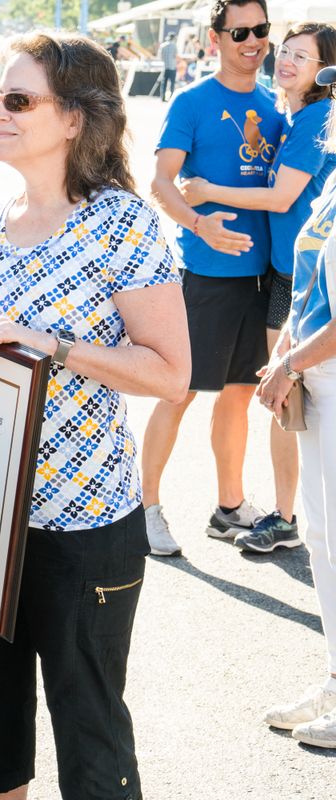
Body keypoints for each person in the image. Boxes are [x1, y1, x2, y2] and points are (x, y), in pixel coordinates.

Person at [0, 32, 189, 800]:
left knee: (93, 746)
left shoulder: (125, 225)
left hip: (83, 530)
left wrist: (58, 347)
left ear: (75, 118)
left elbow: (171, 373)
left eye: (17, 100)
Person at [179, 22, 336, 554]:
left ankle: (287, 517)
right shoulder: (289, 115)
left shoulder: (315, 119)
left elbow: (280, 197)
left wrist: (205, 191)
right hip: (282, 272)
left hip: (302, 280)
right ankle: (289, 513)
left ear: (325, 71)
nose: (285, 61)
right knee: (284, 395)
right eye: (285, 51)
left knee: (286, 394)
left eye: (302, 57)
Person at [141, 0, 284, 556]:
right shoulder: (192, 101)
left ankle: (229, 508)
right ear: (216, 38)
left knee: (240, 395)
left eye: (260, 30)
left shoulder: (275, 103)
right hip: (206, 276)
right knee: (178, 391)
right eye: (239, 32)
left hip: (263, 278)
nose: (252, 41)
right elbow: (160, 181)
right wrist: (200, 224)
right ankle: (147, 510)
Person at [255, 65, 336, 748]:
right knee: (321, 536)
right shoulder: (333, 179)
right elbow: (308, 281)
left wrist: (289, 362)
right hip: (319, 378)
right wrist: (286, 344)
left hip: (327, 373)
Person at [158, 35, 178, 101]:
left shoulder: (162, 46)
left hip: (165, 67)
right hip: (172, 67)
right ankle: (171, 97)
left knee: (164, 83)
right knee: (172, 83)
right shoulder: (174, 46)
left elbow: (161, 57)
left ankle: (162, 97)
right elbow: (175, 55)